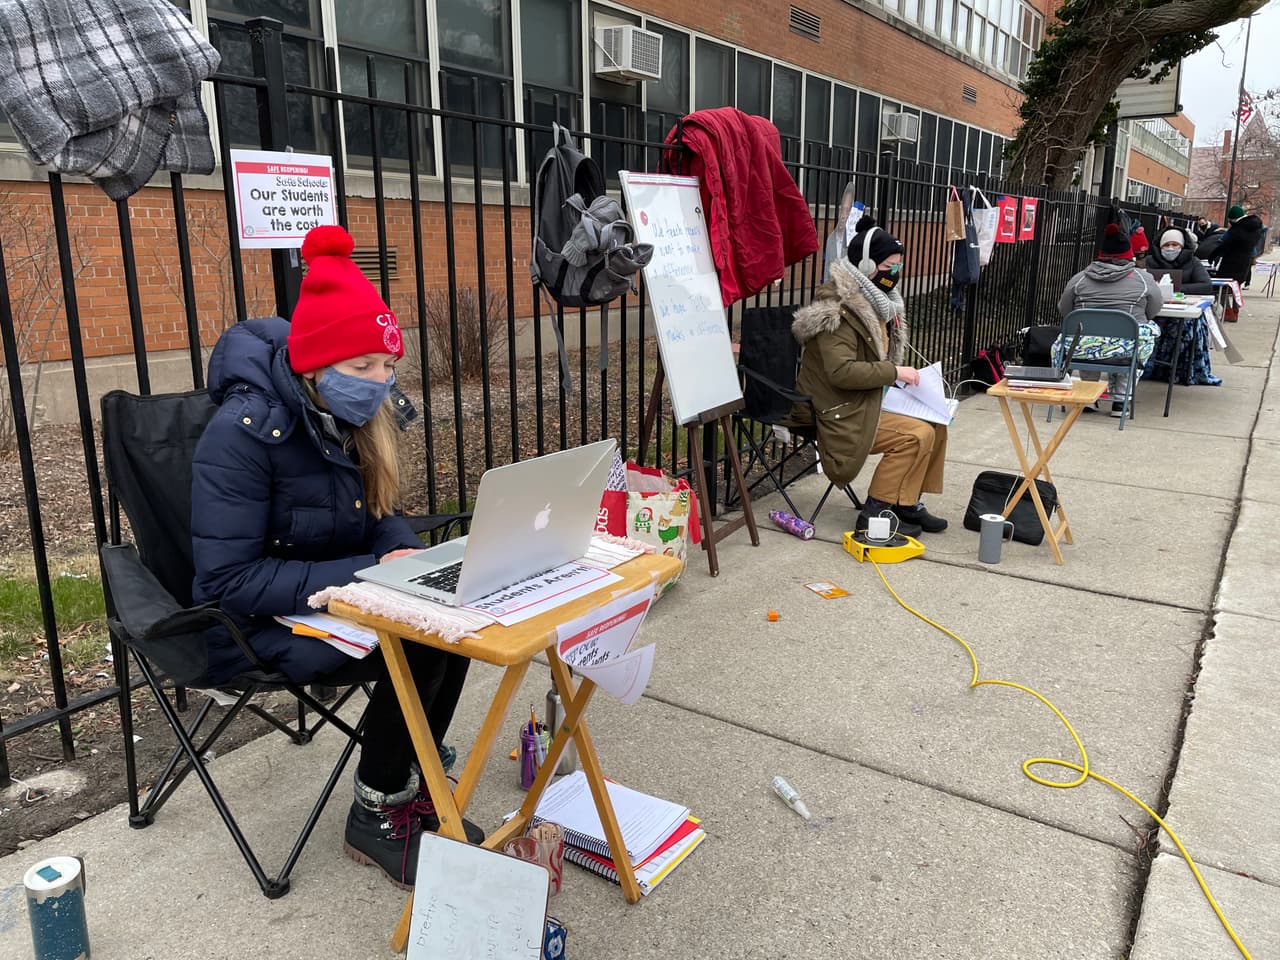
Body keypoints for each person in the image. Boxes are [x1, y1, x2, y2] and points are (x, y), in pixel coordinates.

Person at [190, 224, 482, 890]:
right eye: (362, 369)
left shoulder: (346, 416)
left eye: (387, 366)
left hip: (333, 600)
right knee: (422, 642)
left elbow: (375, 518)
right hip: (252, 625)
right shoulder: (240, 437)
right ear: (313, 367)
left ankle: (415, 776)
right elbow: (225, 580)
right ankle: (377, 809)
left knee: (455, 624)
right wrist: (364, 578)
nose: (380, 384)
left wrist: (400, 550)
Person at [784, 215, 948, 538]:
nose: (896, 275)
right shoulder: (838, 309)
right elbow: (841, 371)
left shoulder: (879, 302)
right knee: (915, 435)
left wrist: (898, 379)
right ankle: (875, 509)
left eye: (899, 267)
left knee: (936, 425)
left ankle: (906, 501)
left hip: (865, 399)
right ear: (867, 263)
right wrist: (894, 372)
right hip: (840, 409)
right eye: (890, 267)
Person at [1057, 223, 1165, 416]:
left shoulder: (1080, 278)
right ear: (1128, 255)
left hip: (1085, 346)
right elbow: (1155, 309)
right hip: (1125, 346)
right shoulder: (1143, 279)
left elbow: (1064, 310)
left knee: (1084, 335)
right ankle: (1121, 401)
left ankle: (1087, 396)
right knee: (1138, 337)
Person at [1144, 226, 1212, 295]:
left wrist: (1173, 288)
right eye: (1166, 245)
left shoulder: (1193, 262)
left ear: (1182, 246)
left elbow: (1206, 286)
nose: (1170, 248)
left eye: (1175, 245)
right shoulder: (1149, 261)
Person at [1214, 203, 1265, 289]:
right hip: (1244, 260)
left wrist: (1217, 251)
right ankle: (1245, 285)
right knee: (1235, 286)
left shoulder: (1237, 230)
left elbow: (1226, 242)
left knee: (1224, 287)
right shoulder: (1253, 228)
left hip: (1231, 263)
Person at [823, 183, 857, 283]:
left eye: (847, 211)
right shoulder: (831, 239)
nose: (843, 216)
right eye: (842, 210)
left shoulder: (853, 241)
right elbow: (826, 271)